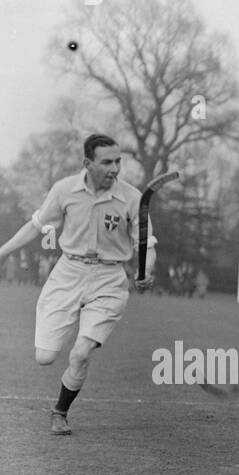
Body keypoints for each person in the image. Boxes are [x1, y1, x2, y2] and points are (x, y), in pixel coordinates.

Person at [0, 134, 154, 436]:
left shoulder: (132, 197)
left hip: (109, 279)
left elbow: (149, 243)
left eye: (118, 161)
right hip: (68, 273)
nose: (114, 169)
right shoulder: (64, 190)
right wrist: (3, 251)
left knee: (81, 353)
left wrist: (146, 270)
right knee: (44, 357)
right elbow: (36, 226)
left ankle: (60, 412)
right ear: (87, 163)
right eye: (107, 162)